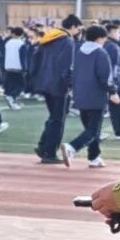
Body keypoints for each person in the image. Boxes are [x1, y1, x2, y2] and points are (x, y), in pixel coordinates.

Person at [61, 26, 118, 169]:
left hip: (80, 95)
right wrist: (113, 92)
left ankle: (94, 157)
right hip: (96, 96)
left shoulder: (78, 51)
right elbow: (105, 77)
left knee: (90, 129)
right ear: (100, 38)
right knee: (93, 131)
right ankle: (72, 147)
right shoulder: (101, 53)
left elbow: (71, 72)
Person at [32, 14, 82, 164]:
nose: (78, 32)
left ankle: (43, 146)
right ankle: (49, 152)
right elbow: (66, 66)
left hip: (44, 82)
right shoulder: (67, 41)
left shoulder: (48, 38)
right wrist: (70, 84)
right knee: (58, 119)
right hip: (59, 85)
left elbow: (35, 59)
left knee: (54, 117)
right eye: (78, 28)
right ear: (73, 26)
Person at [2, 27, 28, 110]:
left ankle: (12, 101)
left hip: (8, 66)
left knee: (11, 84)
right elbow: (23, 57)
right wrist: (24, 68)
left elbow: (4, 55)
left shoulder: (7, 43)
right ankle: (12, 97)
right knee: (21, 85)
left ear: (13, 33)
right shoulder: (21, 43)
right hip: (17, 67)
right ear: (22, 34)